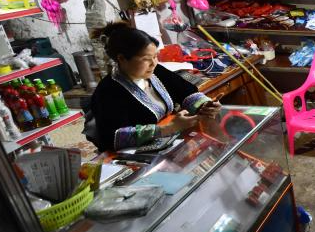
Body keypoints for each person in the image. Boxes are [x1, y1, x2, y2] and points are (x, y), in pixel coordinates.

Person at [88, 22, 221, 152]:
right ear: (122, 59)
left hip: (166, 142)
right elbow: (113, 136)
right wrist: (168, 128)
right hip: (133, 153)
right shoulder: (108, 91)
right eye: (146, 59)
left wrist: (204, 105)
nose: (153, 63)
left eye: (155, 56)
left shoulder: (155, 71)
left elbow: (185, 91)